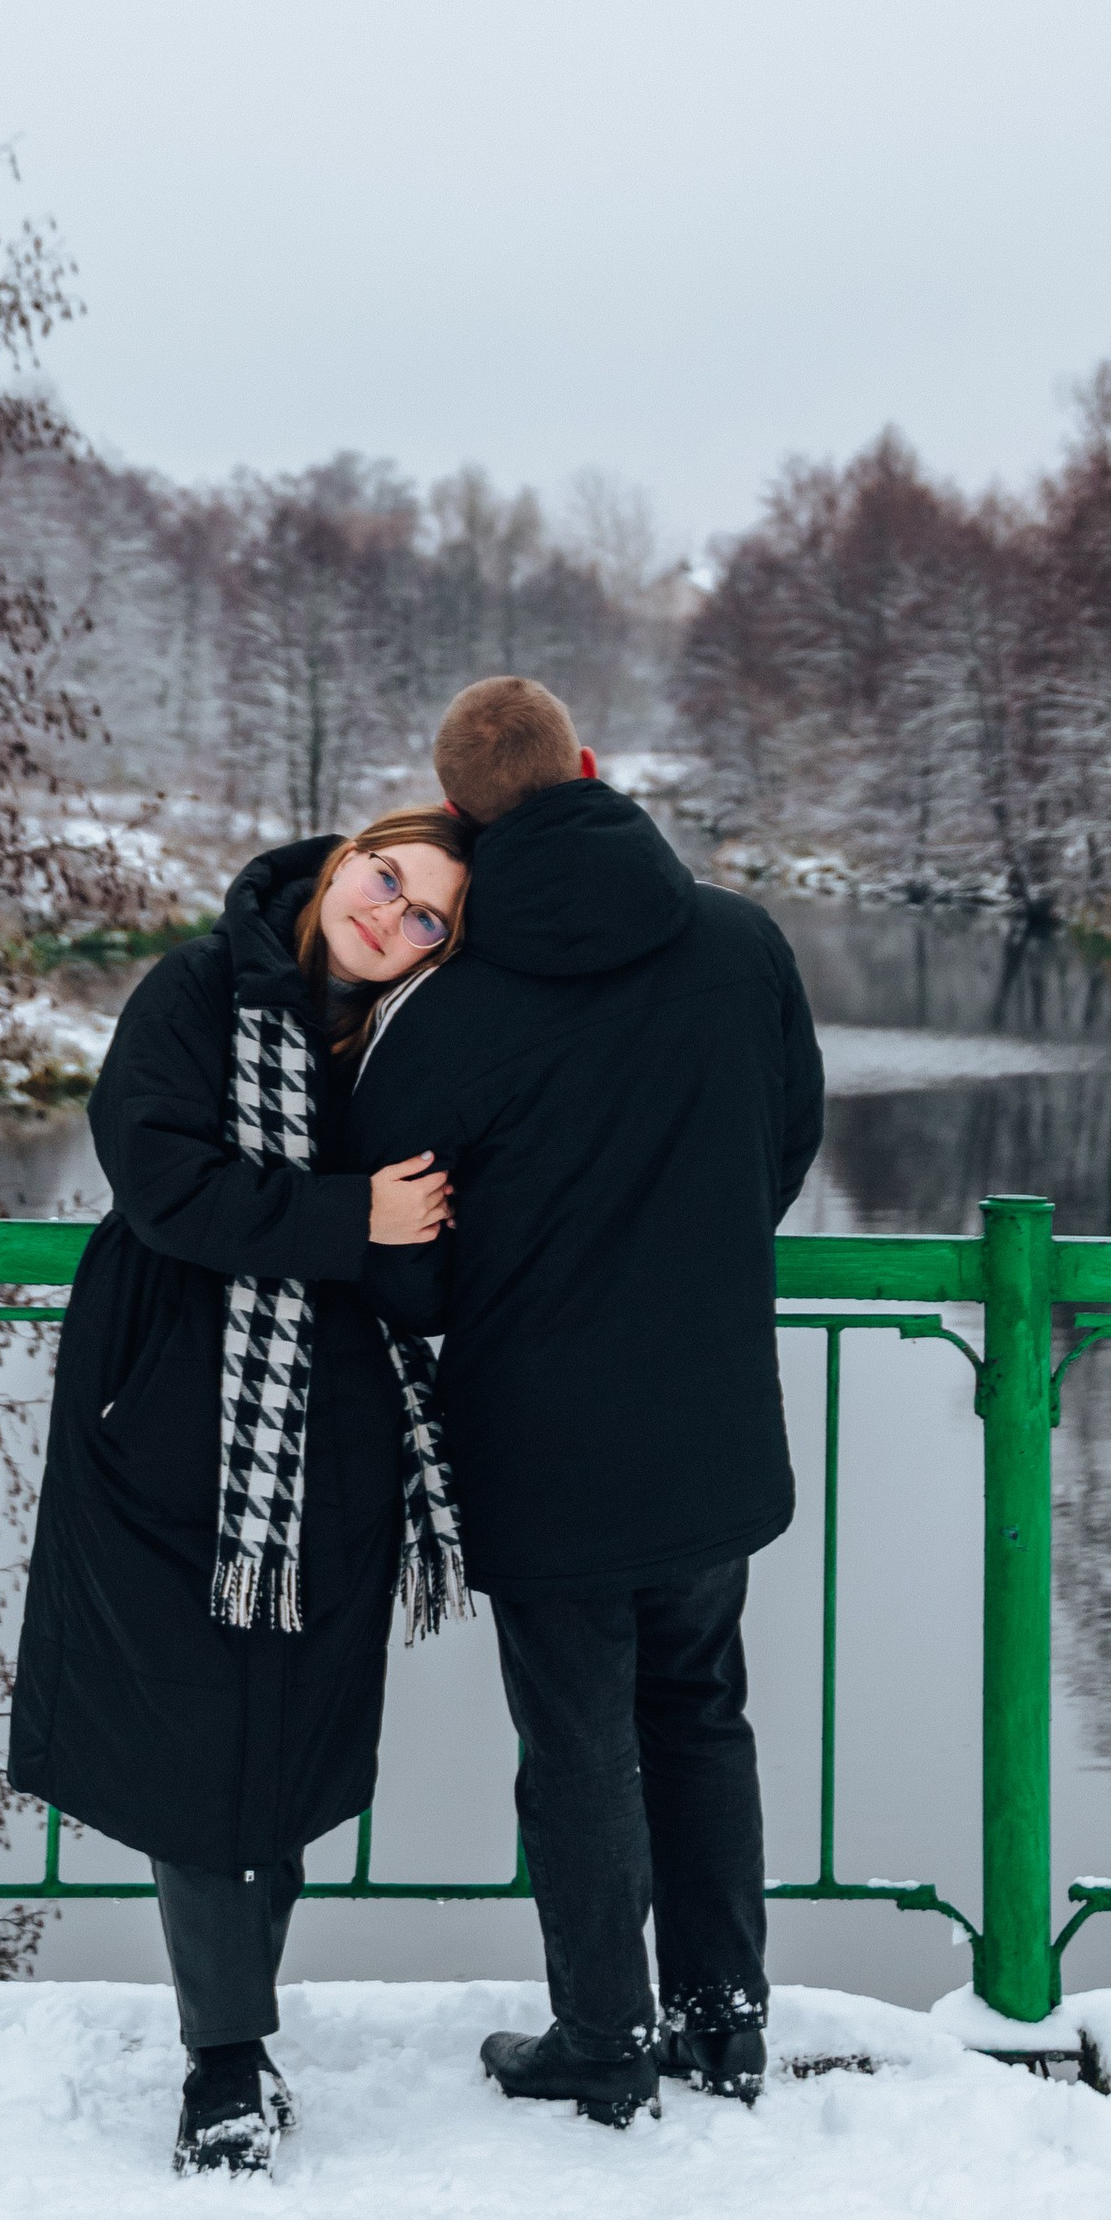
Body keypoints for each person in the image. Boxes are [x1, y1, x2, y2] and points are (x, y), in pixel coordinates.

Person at [349, 677, 825, 2129]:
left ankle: (605, 2040)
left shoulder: (445, 1008)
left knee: (576, 1746)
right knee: (701, 1716)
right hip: (708, 1408)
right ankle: (728, 2025)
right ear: (591, 771)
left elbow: (399, 1246)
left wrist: (484, 1304)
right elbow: (783, 1145)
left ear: (468, 830)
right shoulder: (743, 946)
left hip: (538, 1433)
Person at [8, 808, 472, 2180]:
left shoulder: (416, 1042)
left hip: (331, 1430)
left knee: (283, 1741)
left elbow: (435, 1247)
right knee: (198, 1738)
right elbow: (158, 1176)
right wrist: (346, 1219)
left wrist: (405, 1248)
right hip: (166, 1409)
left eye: (431, 915)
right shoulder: (201, 987)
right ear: (349, 861)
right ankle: (224, 2060)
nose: (393, 917)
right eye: (390, 881)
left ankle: (238, 2027)